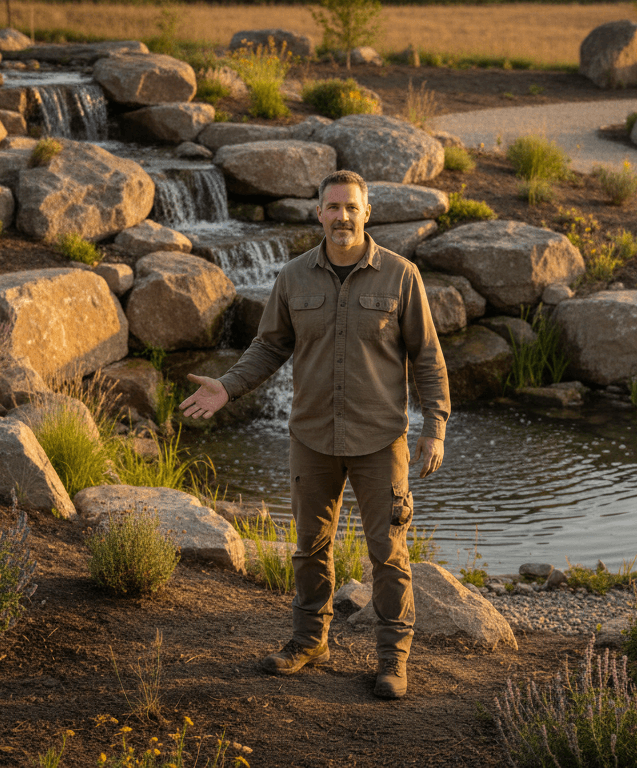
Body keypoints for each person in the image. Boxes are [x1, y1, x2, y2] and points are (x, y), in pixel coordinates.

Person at [178, 169, 451, 700]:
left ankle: (392, 660)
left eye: (351, 207)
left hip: (381, 440)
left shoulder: (401, 276)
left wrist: (434, 427)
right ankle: (309, 642)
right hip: (312, 438)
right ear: (318, 212)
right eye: (332, 207)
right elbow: (269, 346)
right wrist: (228, 387)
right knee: (309, 548)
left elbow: (428, 357)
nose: (341, 216)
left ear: (366, 213)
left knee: (388, 554)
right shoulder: (293, 276)